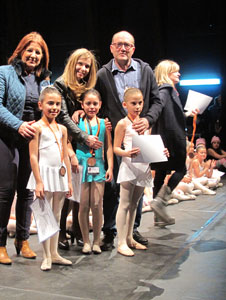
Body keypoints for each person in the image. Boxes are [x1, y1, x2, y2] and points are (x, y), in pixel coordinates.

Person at [95, 30, 163, 250]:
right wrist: (101, 121)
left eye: (128, 45)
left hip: (140, 137)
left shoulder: (145, 70)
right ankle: (110, 231)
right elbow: (96, 102)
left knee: (138, 189)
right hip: (116, 138)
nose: (123, 48)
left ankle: (132, 231)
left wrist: (149, 119)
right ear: (112, 48)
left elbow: (156, 101)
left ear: (133, 49)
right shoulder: (102, 74)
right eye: (119, 44)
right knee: (113, 187)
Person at [0, 32, 51, 265]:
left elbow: (48, 109)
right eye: (30, 50)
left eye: (38, 52)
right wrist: (18, 125)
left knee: (27, 191)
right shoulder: (2, 73)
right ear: (21, 51)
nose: (34, 55)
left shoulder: (44, 81)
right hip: (3, 137)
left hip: (29, 140)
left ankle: (22, 240)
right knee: (6, 190)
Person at [53, 48, 101, 250]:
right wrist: (84, 136)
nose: (83, 69)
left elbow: (84, 110)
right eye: (80, 64)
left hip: (80, 145)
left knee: (79, 190)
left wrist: (81, 110)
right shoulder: (59, 84)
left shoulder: (84, 88)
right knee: (66, 190)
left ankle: (78, 230)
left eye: (87, 66)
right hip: (63, 142)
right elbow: (63, 116)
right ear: (72, 64)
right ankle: (62, 231)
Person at [26, 86, 73, 271]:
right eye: (50, 103)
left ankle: (54, 253)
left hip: (59, 174)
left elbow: (65, 156)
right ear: (40, 105)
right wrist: (38, 180)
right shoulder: (36, 127)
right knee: (44, 216)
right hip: (44, 174)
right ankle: (45, 255)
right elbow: (33, 156)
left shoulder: (62, 128)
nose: (54, 107)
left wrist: (69, 180)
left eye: (57, 104)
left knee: (57, 215)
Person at [149, 59, 198, 226]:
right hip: (170, 138)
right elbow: (158, 108)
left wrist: (186, 114)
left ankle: (158, 216)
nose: (179, 73)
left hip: (162, 136)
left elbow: (169, 114)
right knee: (181, 168)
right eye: (175, 71)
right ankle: (160, 202)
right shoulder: (166, 90)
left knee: (161, 173)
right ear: (166, 73)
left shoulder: (166, 90)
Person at [113, 88, 154, 256]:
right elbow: (115, 147)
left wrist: (161, 151)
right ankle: (121, 241)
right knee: (124, 203)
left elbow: (149, 145)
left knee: (135, 204)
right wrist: (126, 153)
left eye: (140, 103)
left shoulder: (145, 123)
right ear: (125, 104)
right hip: (129, 165)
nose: (137, 106)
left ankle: (130, 238)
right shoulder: (123, 123)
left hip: (143, 166)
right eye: (133, 103)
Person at [74, 89, 113, 254]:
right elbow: (69, 142)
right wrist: (72, 158)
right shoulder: (77, 122)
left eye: (95, 103)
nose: (92, 107)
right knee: (83, 205)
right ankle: (86, 241)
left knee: (97, 205)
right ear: (82, 105)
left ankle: (97, 241)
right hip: (81, 166)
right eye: (88, 103)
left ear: (100, 105)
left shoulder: (104, 124)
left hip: (98, 166)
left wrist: (110, 166)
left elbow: (109, 147)